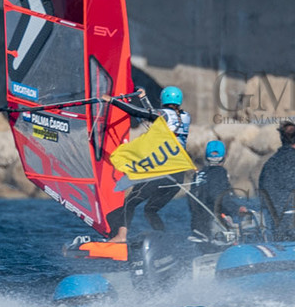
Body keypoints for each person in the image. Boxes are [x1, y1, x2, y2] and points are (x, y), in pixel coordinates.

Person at [105, 86, 190, 243]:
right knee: (150, 210)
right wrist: (143, 99)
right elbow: (155, 116)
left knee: (129, 203)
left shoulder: (164, 115)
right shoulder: (185, 116)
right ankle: (162, 240)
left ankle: (121, 237)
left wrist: (113, 101)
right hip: (178, 175)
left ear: (163, 99)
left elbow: (140, 113)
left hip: (161, 172)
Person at [187, 140, 252, 244]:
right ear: (224, 156)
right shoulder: (219, 172)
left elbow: (191, 199)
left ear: (206, 156)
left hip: (198, 225)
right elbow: (218, 195)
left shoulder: (198, 174)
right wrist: (236, 208)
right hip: (215, 224)